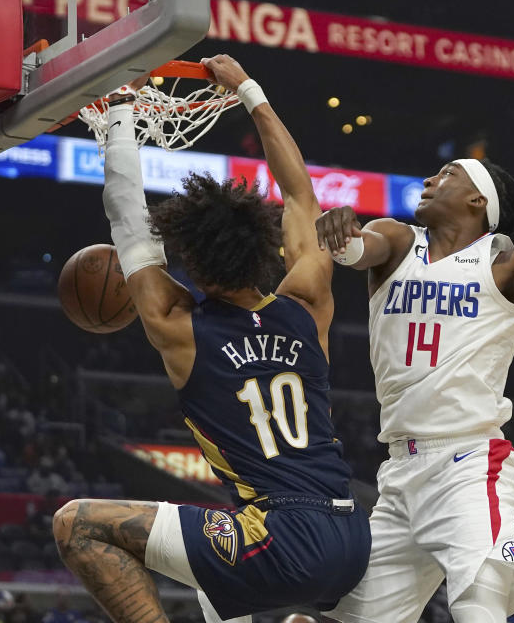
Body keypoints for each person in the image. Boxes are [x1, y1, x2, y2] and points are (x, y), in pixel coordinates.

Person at [52, 54, 370, 623]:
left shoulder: (179, 325)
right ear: (265, 250)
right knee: (209, 580)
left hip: (278, 539)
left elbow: (128, 218)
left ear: (192, 264)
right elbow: (301, 197)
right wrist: (250, 91)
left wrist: (121, 109)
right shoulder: (307, 301)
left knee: (77, 524)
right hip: (349, 536)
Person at [316, 107, 514, 623]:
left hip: (468, 462)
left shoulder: (507, 264)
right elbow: (352, 249)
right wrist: (336, 231)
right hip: (398, 470)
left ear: (478, 200)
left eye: (448, 174)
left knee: (479, 603)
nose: (431, 178)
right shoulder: (395, 241)